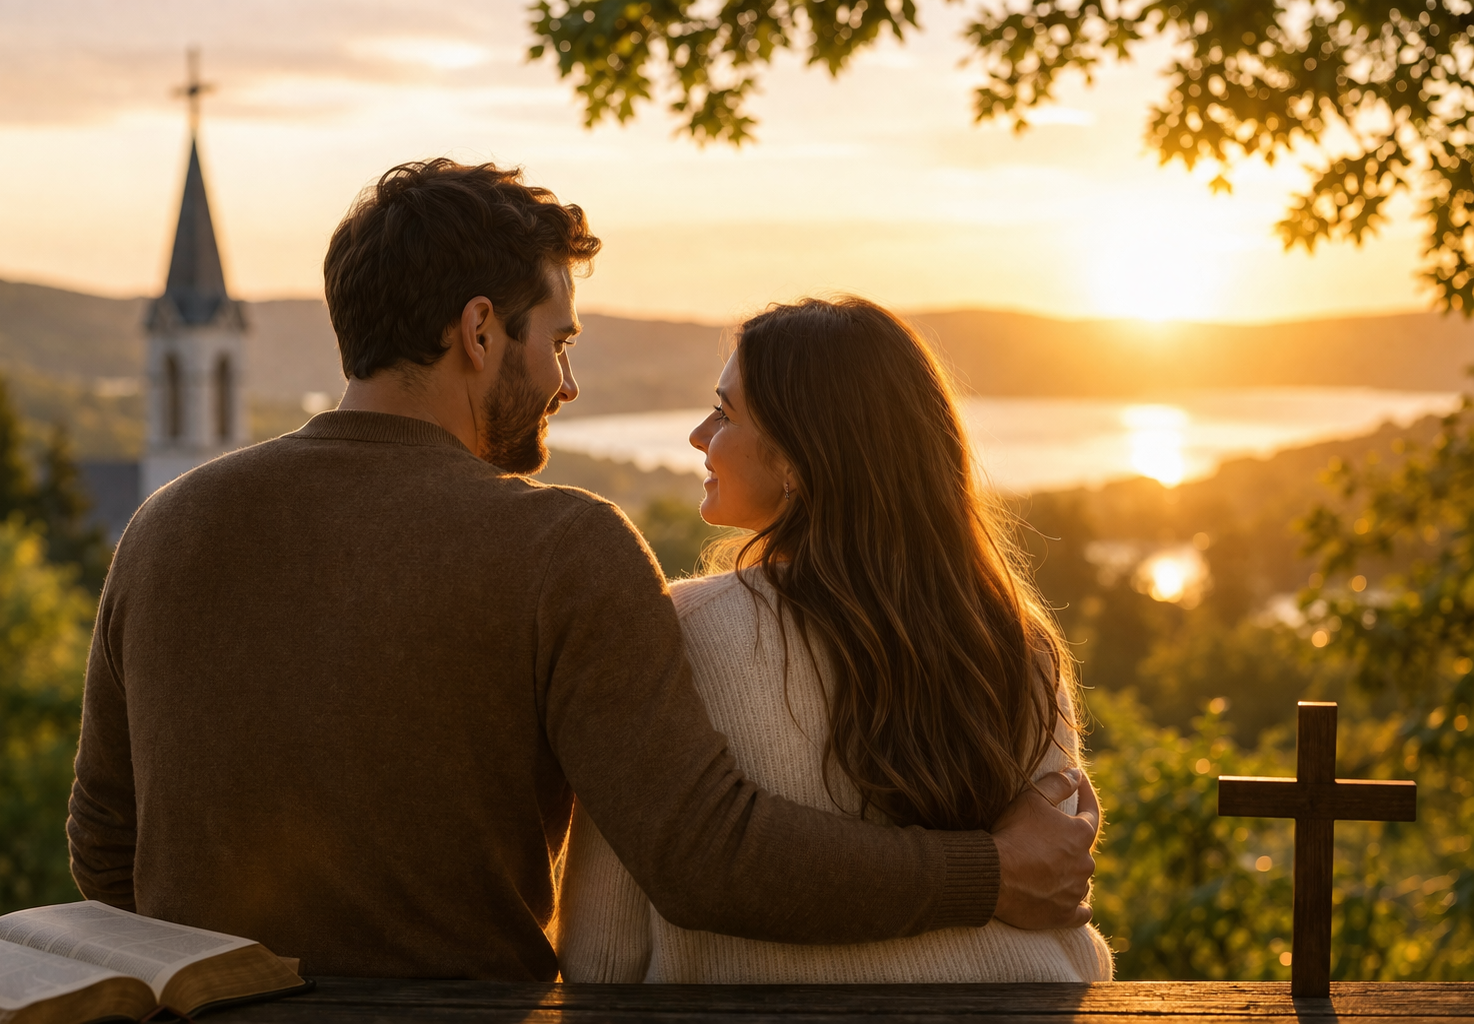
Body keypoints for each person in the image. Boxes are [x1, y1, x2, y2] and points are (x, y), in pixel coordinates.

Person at [67, 160, 1099, 981]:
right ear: (479, 332)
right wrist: (992, 869)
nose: (565, 381)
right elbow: (704, 857)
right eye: (557, 339)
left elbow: (106, 849)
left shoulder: (166, 526)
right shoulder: (562, 546)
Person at [557, 297, 1113, 983]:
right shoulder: (1009, 634)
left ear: (798, 458)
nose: (701, 435)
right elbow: (1058, 891)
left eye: (725, 413)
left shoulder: (680, 634)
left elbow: (602, 955)